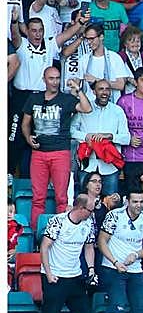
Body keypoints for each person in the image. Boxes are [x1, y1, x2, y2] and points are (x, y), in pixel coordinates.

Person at [23, 67, 93, 222]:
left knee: (61, 198)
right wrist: (28, 138)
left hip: (60, 152)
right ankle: (37, 235)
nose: (55, 82)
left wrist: (78, 89)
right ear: (44, 80)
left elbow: (87, 109)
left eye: (57, 78)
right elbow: (25, 123)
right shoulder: (34, 98)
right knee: (38, 198)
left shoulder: (66, 99)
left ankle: (60, 234)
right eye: (51, 78)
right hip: (39, 153)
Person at [96, 189, 143, 313]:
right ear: (127, 201)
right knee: (118, 309)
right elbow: (102, 241)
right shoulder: (114, 216)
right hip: (113, 268)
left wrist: (136, 254)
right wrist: (115, 262)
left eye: (141, 202)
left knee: (141, 311)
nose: (138, 205)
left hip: (135, 269)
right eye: (135, 202)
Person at [38, 194, 97, 313]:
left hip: (75, 276)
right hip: (56, 276)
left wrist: (91, 269)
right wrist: (48, 274)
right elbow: (44, 247)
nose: (92, 213)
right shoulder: (58, 221)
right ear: (81, 208)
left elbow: (89, 247)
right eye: (90, 210)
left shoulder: (88, 223)